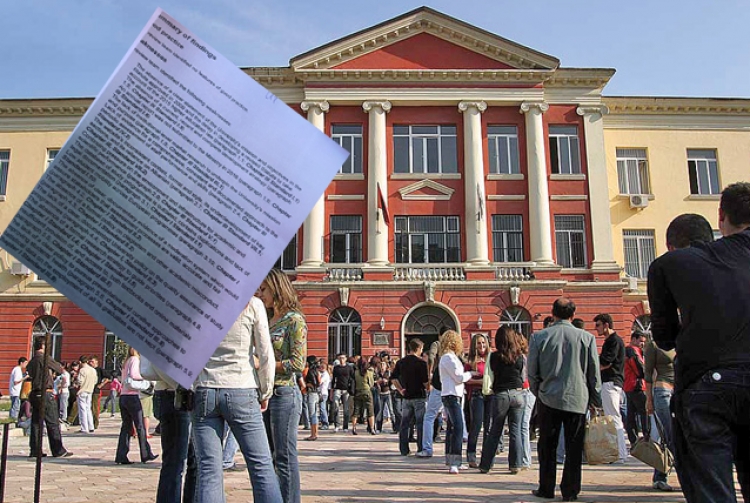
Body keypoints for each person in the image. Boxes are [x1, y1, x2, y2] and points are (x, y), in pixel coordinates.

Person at [649, 182, 750, 503]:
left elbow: (664, 336)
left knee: (712, 490)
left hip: (706, 384)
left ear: (722, 217)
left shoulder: (672, 263)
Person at [645, 213, 713, 493]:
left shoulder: (666, 269)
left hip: (691, 385)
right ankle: (662, 476)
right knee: (673, 437)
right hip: (676, 387)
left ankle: (670, 476)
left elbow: (663, 336)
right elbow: (649, 371)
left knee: (684, 441)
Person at [192, 296, 281, 503]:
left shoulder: (197, 301)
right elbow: (265, 353)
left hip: (206, 387)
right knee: (261, 466)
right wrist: (266, 390)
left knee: (209, 470)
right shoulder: (252, 303)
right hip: (242, 385)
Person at [528, 298, 602, 501]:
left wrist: (539, 392)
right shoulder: (587, 338)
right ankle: (570, 491)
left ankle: (546, 487)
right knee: (574, 447)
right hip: (578, 399)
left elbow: (532, 373)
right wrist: (596, 400)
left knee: (547, 447)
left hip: (548, 398)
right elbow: (594, 375)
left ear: (552, 314)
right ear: (572, 315)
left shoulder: (539, 337)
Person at [258, 268, 306, 503]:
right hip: (265, 394)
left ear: (277, 289)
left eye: (264, 289)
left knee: (285, 457)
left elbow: (298, 363)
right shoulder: (267, 319)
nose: (261, 293)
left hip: (285, 393)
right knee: (268, 456)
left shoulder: (294, 319)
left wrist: (265, 364)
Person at [479, 326, 526, 474]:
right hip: (518, 394)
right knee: (515, 431)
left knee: (495, 431)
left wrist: (487, 390)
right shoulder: (520, 356)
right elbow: (523, 377)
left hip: (500, 394)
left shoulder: (493, 356)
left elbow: (489, 376)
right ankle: (515, 464)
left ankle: (486, 465)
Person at [26, 336, 72, 458]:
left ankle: (35, 450)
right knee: (52, 421)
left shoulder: (32, 360)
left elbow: (29, 373)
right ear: (43, 346)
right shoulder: (44, 358)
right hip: (45, 392)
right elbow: (60, 368)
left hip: (35, 392)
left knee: (36, 423)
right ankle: (58, 450)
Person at [438, 330, 473, 474]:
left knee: (452, 429)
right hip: (451, 395)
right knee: (458, 427)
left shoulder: (452, 357)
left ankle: (451, 459)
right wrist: (471, 374)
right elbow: (458, 377)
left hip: (453, 394)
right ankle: (455, 461)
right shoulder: (448, 358)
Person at [115, 346, 157, 464]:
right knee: (140, 427)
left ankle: (121, 455)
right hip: (132, 396)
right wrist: (145, 377)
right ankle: (145, 454)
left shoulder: (126, 361)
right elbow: (134, 374)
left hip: (123, 396)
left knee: (126, 427)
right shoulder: (135, 360)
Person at [595, 313, 627, 463]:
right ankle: (619, 452)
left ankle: (620, 453)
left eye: (598, 325)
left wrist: (592, 369)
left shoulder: (613, 341)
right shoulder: (613, 340)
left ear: (606, 325)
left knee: (613, 417)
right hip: (612, 382)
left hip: (611, 382)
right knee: (613, 416)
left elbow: (606, 362)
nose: (596, 329)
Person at [391, 338, 428, 456]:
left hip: (406, 397)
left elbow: (393, 378)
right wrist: (429, 387)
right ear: (418, 349)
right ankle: (421, 448)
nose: (422, 351)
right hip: (419, 396)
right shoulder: (422, 363)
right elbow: (425, 382)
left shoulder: (401, 362)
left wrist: (400, 389)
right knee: (420, 423)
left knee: (405, 424)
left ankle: (404, 449)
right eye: (421, 349)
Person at [465, 333, 490, 468]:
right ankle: (471, 455)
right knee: (476, 425)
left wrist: (480, 380)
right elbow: (467, 380)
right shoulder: (470, 362)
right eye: (479, 343)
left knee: (489, 427)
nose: (482, 345)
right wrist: (484, 381)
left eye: (483, 342)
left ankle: (486, 457)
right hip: (476, 395)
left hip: (490, 395)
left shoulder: (490, 359)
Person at [417, 339, 444, 459]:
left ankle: (427, 448)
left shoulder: (437, 344)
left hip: (438, 387)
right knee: (456, 419)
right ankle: (455, 454)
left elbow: (432, 358)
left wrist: (430, 374)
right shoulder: (456, 353)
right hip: (452, 388)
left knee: (429, 417)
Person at [623, 332, 648, 444]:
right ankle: (646, 437)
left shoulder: (630, 350)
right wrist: (644, 375)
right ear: (633, 339)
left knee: (631, 414)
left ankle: (633, 439)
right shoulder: (632, 350)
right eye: (640, 341)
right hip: (636, 385)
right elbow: (638, 368)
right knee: (644, 412)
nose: (642, 344)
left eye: (643, 342)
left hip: (629, 385)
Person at [351, 357, 376, 435]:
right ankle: (372, 429)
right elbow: (371, 384)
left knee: (356, 410)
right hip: (367, 392)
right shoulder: (369, 372)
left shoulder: (355, 372)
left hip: (358, 392)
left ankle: (354, 428)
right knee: (370, 411)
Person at [331, 354, 353, 432]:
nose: (341, 359)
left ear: (346, 359)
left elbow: (352, 379)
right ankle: (337, 425)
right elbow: (333, 379)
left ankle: (345, 426)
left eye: (343, 358)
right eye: (340, 358)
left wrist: (351, 389)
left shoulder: (349, 368)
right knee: (336, 406)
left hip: (346, 390)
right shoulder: (336, 368)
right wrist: (332, 390)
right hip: (337, 389)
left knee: (346, 409)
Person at [76, 356, 97, 434]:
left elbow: (80, 381)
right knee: (88, 408)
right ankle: (91, 426)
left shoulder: (82, 370)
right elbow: (95, 381)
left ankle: (84, 427)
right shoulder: (93, 370)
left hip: (82, 390)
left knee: (82, 409)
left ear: (80, 362)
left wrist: (76, 383)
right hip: (90, 390)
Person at [303, 355, 321, 441]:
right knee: (315, 414)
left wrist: (306, 385)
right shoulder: (317, 371)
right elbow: (319, 382)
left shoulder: (309, 371)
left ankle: (313, 434)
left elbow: (313, 383)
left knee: (312, 414)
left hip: (311, 394)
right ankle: (315, 433)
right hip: (316, 394)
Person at [89, 356, 109, 429]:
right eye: (90, 362)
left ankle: (95, 423)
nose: (90, 363)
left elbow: (108, 377)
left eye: (92, 362)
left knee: (95, 407)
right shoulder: (89, 370)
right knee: (89, 407)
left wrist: (101, 384)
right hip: (89, 389)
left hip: (96, 391)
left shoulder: (99, 370)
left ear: (96, 362)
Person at [318, 360, 331, 430]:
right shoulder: (323, 373)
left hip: (323, 393)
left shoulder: (325, 374)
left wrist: (317, 375)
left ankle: (325, 423)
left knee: (322, 408)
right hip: (322, 393)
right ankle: (323, 421)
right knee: (322, 408)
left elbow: (319, 382)